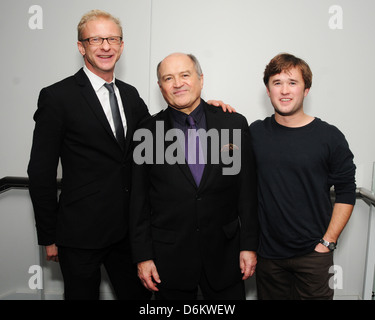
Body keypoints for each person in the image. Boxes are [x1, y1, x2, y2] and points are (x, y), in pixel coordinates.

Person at [27, 10, 231, 300]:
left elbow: (163, 136)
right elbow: (40, 172)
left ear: (121, 46)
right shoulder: (57, 97)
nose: (106, 46)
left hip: (127, 236)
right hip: (79, 235)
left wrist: (200, 111)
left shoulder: (130, 94)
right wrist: (48, 236)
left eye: (112, 39)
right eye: (96, 39)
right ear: (81, 46)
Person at [129, 53, 259, 300]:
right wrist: (143, 256)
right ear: (160, 87)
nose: (178, 83)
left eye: (185, 75)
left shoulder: (232, 124)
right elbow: (138, 201)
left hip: (226, 256)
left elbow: (246, 192)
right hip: (168, 260)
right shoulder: (147, 132)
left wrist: (249, 245)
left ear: (200, 79)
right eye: (168, 78)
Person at [249, 53, 356, 300]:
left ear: (306, 89)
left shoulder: (330, 137)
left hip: (313, 256)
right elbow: (225, 154)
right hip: (269, 257)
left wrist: (327, 243)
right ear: (268, 90)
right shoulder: (255, 133)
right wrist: (213, 109)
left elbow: (346, 192)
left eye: (292, 82)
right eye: (277, 83)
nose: (285, 90)